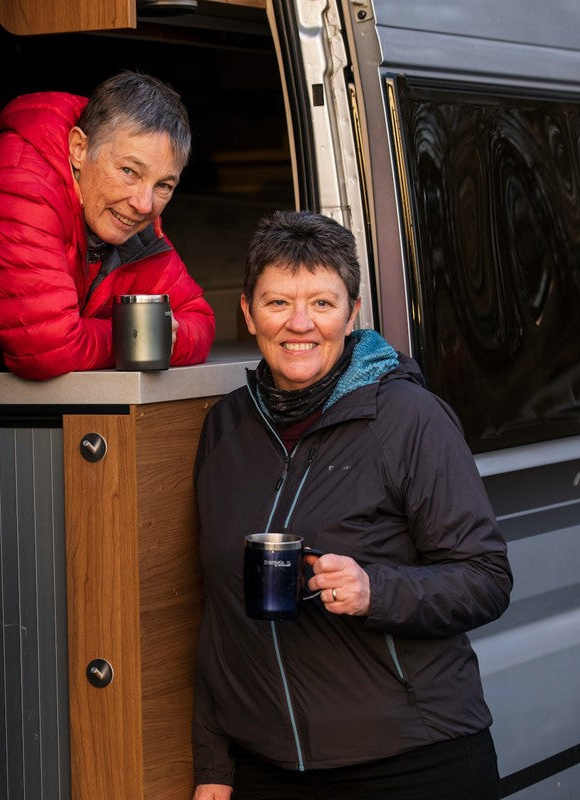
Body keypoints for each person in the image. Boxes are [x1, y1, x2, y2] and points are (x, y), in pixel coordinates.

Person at [191, 210, 512, 800]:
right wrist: (214, 762)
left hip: (411, 761)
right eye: (277, 302)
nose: (299, 324)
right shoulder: (225, 428)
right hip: (267, 769)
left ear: (353, 312)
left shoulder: (409, 419)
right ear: (246, 311)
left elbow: (486, 578)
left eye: (321, 302)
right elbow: (218, 614)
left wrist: (376, 590)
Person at [0, 71, 215, 379]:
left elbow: (199, 319)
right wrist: (141, 335)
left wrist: (155, 336)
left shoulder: (124, 212)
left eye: (163, 185)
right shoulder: (18, 183)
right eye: (129, 171)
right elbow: (49, 350)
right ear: (79, 148)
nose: (145, 205)